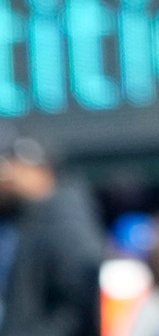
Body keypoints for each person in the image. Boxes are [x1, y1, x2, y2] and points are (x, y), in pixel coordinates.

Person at [0, 133, 104, 336]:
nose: (7, 178)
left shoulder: (65, 220)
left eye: (13, 168)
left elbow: (78, 303)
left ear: (39, 171)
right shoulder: (25, 217)